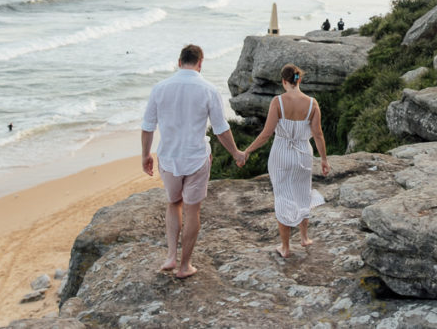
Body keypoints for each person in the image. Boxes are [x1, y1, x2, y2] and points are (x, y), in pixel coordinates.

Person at [141, 44, 245, 278]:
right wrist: (236, 153)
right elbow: (221, 129)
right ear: (200, 63)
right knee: (192, 210)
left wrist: (145, 155)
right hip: (196, 158)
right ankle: (185, 266)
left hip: (168, 158)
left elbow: (148, 126)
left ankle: (170, 256)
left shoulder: (160, 88)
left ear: (179, 62)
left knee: (173, 204)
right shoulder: (208, 89)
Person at [243, 63, 330, 258]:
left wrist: (247, 151)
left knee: (282, 197)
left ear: (284, 81)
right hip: (303, 154)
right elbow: (318, 134)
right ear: (299, 80)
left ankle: (285, 247)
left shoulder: (278, 102)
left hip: (281, 153)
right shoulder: (312, 103)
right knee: (302, 193)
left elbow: (266, 134)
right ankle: (305, 238)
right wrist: (324, 159)